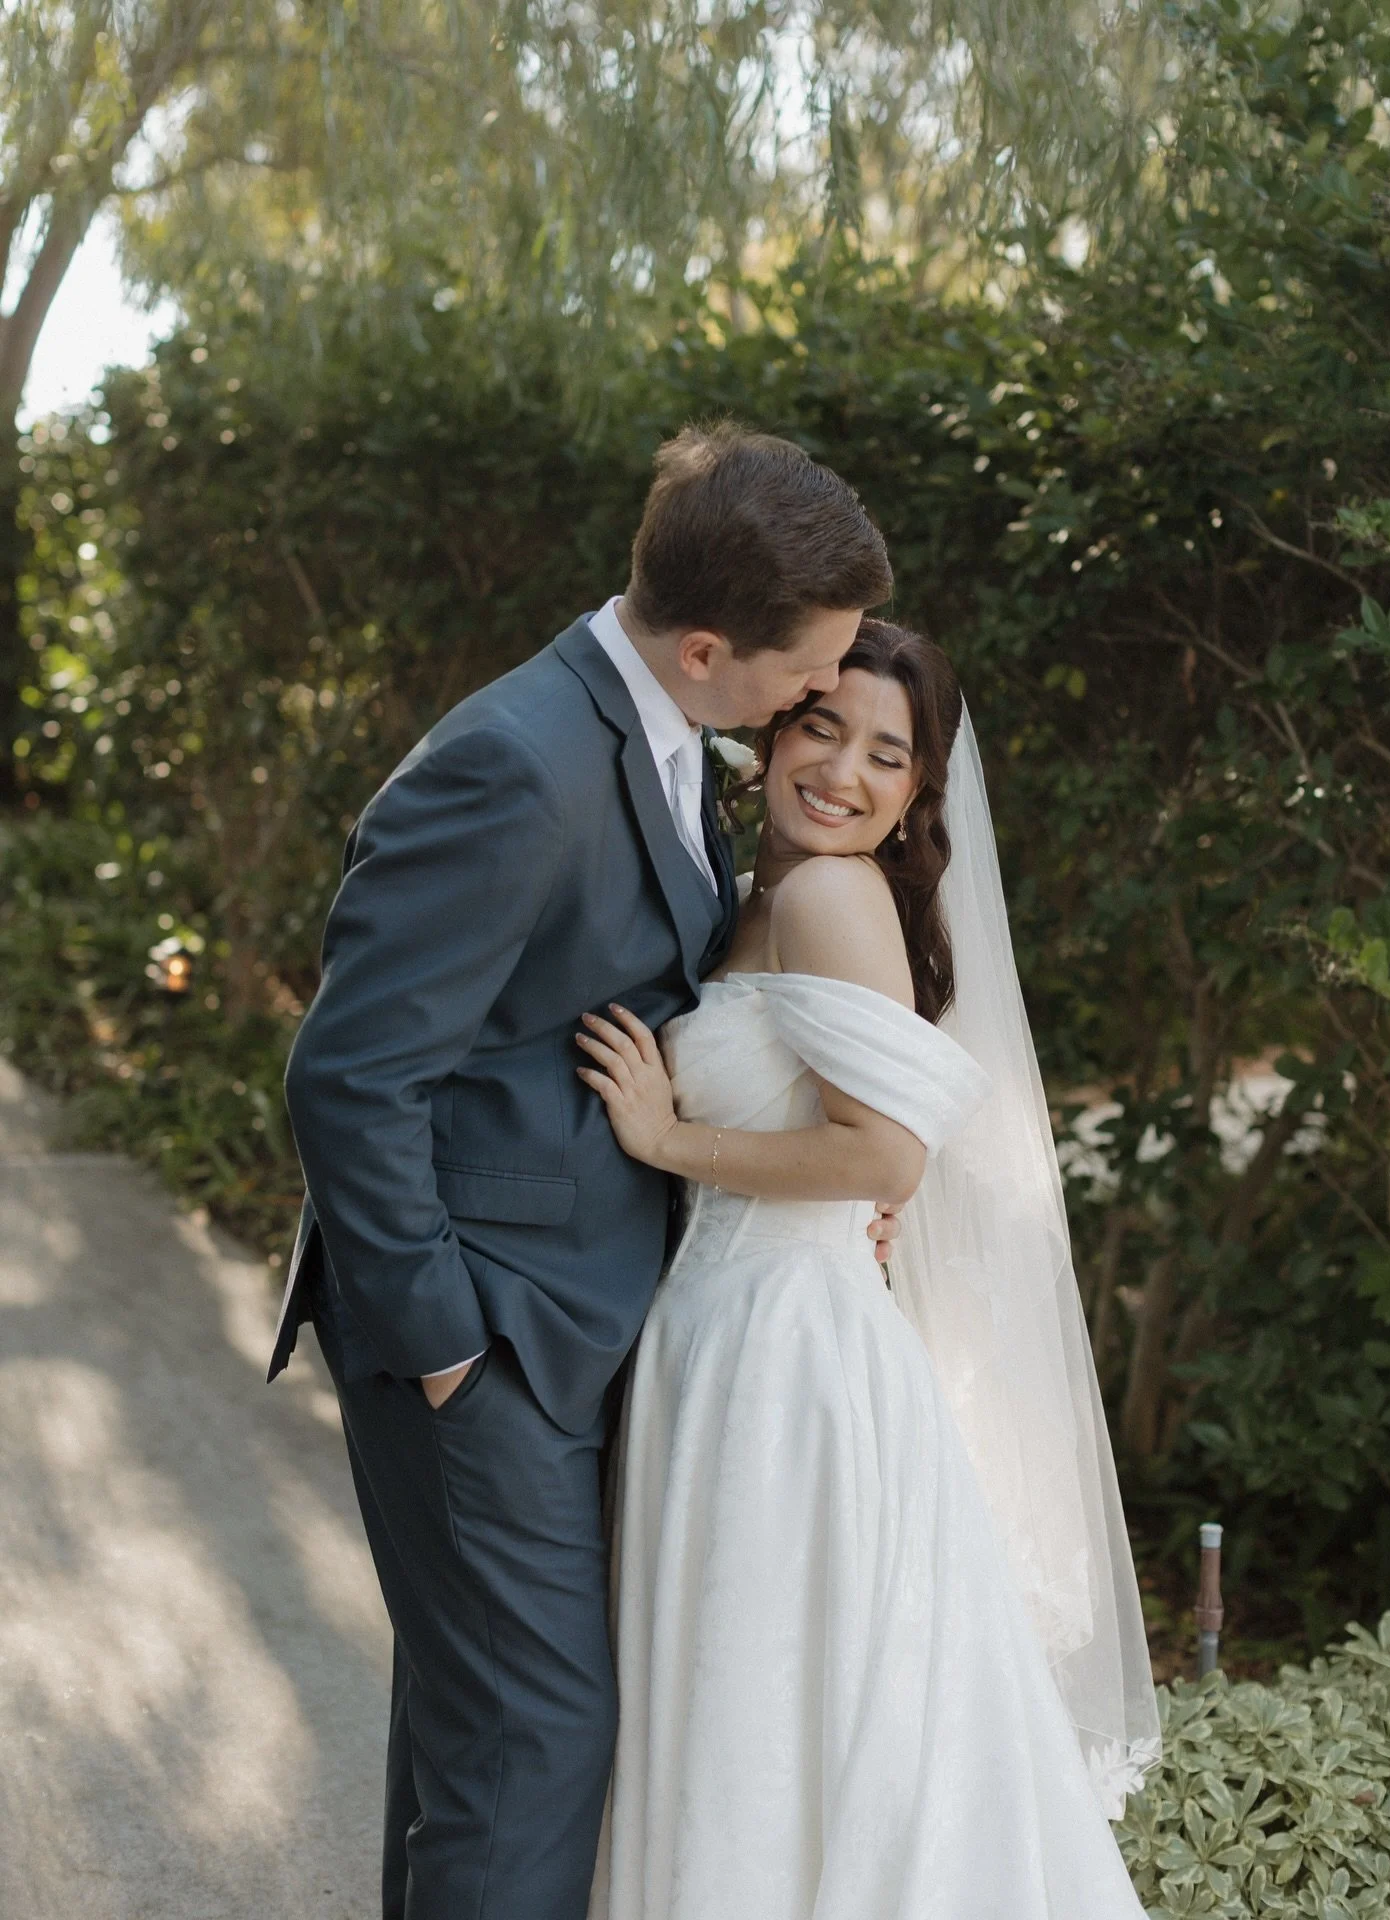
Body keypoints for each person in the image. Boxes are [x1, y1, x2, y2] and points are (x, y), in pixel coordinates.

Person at [268, 422, 896, 1919]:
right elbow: (350, 1078)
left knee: (475, 1735)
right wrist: (443, 1355)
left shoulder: (666, 738)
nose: (821, 693)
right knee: (540, 1744)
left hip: (580, 1322)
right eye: (808, 667)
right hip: (486, 1341)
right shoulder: (514, 763)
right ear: (699, 647)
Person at [579, 620, 1161, 1920]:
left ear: (915, 797)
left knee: (775, 1706)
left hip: (787, 1359)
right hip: (739, 1330)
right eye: (822, 725)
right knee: (766, 1703)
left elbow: (885, 1158)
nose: (841, 769)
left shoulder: (833, 893)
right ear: (776, 727)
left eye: (886, 754)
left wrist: (670, 1137)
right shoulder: (758, 901)